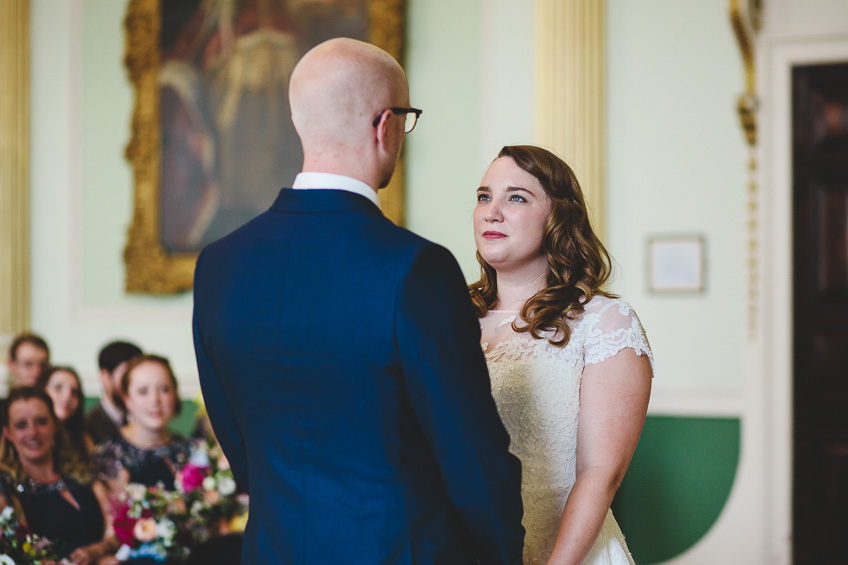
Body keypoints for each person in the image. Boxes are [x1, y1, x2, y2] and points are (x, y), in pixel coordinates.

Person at [193, 37, 524, 564]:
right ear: (385, 125)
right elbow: (471, 457)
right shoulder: (417, 268)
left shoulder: (219, 264)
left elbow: (241, 446)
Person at [470, 145, 654, 565]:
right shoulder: (448, 313)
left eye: (516, 197)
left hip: (567, 552)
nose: (491, 211)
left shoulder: (605, 322)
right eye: (484, 196)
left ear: (558, 216)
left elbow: (600, 474)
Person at [0, 387, 116, 563]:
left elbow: (115, 529)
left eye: (41, 421)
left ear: (54, 424)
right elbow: (18, 549)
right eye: (21, 425)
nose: (33, 433)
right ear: (8, 433)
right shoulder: (7, 487)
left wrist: (98, 550)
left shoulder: (83, 475)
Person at [92, 355, 191, 493]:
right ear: (127, 399)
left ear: (175, 394)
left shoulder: (189, 450)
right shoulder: (111, 455)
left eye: (164, 389)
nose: (155, 400)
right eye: (143, 391)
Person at [85, 341, 142, 446]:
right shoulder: (87, 426)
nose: (130, 382)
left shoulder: (143, 419)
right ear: (105, 376)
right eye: (125, 373)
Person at [37, 365, 94, 460]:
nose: (67, 397)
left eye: (74, 392)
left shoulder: (85, 439)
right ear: (42, 391)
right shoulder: (31, 434)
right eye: (58, 388)